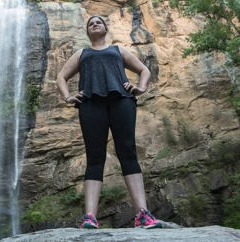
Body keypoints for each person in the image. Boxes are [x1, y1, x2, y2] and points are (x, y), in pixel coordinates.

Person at [56, 15, 162, 229]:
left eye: (99, 22)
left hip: (122, 101)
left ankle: (142, 214)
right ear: (88, 32)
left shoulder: (118, 50)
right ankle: (90, 217)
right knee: (95, 157)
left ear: (105, 28)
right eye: (90, 23)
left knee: (128, 152)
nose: (95, 24)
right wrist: (68, 97)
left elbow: (144, 70)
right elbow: (61, 77)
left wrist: (141, 87)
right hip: (90, 104)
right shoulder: (81, 54)